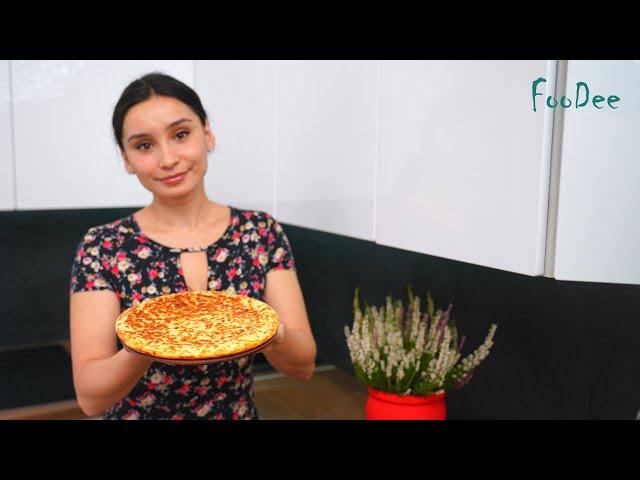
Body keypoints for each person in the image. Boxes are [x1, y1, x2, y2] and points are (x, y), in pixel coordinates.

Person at [68, 72, 317, 420]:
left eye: (181, 134)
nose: (168, 159)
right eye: (144, 145)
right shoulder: (103, 246)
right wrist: (148, 343)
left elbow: (303, 365)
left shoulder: (260, 232)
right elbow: (91, 399)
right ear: (126, 158)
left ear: (208, 134)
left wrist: (267, 331)